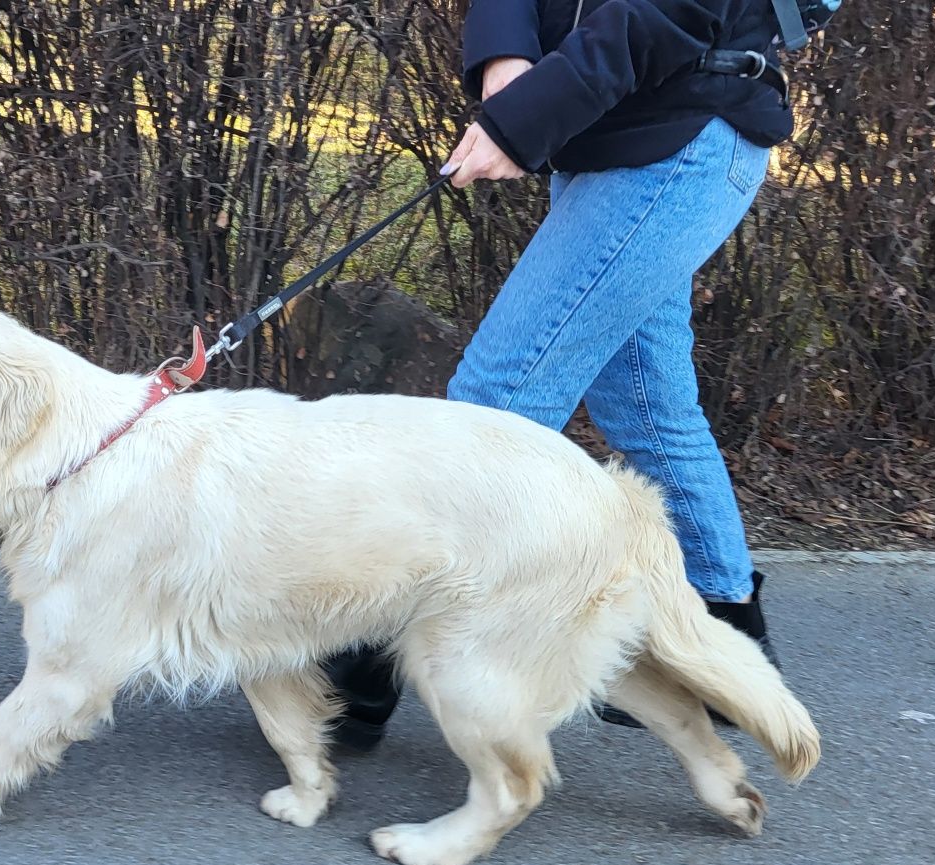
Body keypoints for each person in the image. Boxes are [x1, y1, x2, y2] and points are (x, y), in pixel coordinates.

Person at [327, 0, 793, 748]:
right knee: (647, 410)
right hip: (618, 137)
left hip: (681, 139)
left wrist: (524, 117)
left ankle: (357, 669)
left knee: (493, 410)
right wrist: (504, 62)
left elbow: (665, 13)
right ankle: (722, 647)